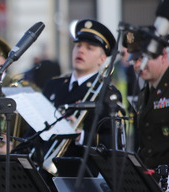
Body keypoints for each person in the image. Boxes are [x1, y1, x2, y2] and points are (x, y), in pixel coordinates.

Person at [41, 18, 124, 165]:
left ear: (102, 59)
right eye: (78, 45)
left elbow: (113, 143)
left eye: (89, 48)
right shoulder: (53, 85)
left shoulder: (107, 94)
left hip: (81, 174)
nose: (81, 50)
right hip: (45, 173)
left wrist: (81, 136)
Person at [130, 44, 169, 175]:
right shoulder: (144, 93)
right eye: (135, 60)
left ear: (163, 56)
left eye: (143, 59)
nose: (138, 65)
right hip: (151, 175)